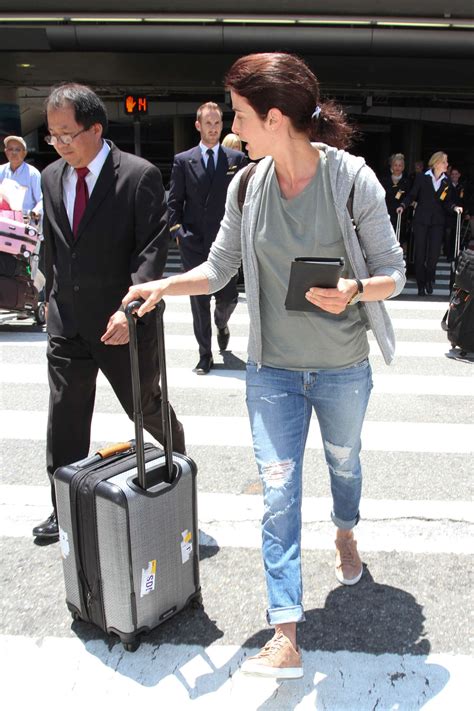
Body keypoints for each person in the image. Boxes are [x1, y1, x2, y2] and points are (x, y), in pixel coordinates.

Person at [123, 52, 405, 680]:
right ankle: (286, 630)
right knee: (277, 493)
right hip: (272, 370)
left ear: (275, 117)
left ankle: (345, 530)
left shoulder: (352, 180)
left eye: (241, 115)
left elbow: (395, 272)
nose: (233, 128)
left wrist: (355, 290)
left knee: (344, 464)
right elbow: (220, 267)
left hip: (340, 367)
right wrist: (162, 288)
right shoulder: (245, 184)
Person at [32, 83, 185, 541]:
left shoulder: (137, 176)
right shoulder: (50, 176)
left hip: (123, 320)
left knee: (146, 406)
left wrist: (131, 309)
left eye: (67, 134)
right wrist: (45, 293)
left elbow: (151, 252)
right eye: (53, 136)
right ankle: (64, 508)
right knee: (65, 414)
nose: (59, 144)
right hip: (67, 319)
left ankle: (179, 479)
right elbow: (55, 244)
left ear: (95, 128)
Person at [168, 102, 247, 374]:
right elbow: (174, 201)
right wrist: (177, 232)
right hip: (194, 242)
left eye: (217, 123)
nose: (213, 128)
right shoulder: (183, 160)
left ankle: (221, 323)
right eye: (208, 123)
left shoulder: (236, 160)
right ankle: (205, 354)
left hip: (225, 243)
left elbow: (244, 200)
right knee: (198, 301)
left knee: (227, 298)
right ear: (198, 125)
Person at [397, 151, 463, 295]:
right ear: (437, 163)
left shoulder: (446, 182)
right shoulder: (422, 178)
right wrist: (403, 205)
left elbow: (447, 202)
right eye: (445, 162)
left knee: (433, 256)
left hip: (437, 222)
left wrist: (454, 207)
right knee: (420, 253)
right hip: (421, 220)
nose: (447, 164)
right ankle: (420, 284)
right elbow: (413, 194)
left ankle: (429, 279)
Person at [0, 135, 43, 216]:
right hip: (4, 221)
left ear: (24, 153)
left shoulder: (32, 173)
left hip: (26, 221)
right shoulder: (1, 171)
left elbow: (40, 200)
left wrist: (34, 214)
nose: (13, 153)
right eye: (10, 149)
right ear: (6, 152)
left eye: (17, 150)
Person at [380, 153, 412, 246]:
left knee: (399, 237)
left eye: (400, 165)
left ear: (403, 167)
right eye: (395, 165)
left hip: (400, 214)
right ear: (392, 166)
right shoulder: (384, 180)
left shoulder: (407, 182)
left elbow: (409, 197)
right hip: (386, 212)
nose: (397, 168)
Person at [444, 167, 465, 260]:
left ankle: (454, 254)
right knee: (448, 233)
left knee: (456, 234)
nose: (454, 176)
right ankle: (447, 253)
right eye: (452, 174)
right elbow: (443, 199)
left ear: (459, 175)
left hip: (459, 215)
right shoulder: (446, 186)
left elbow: (465, 200)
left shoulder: (462, 187)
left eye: (456, 174)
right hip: (448, 214)